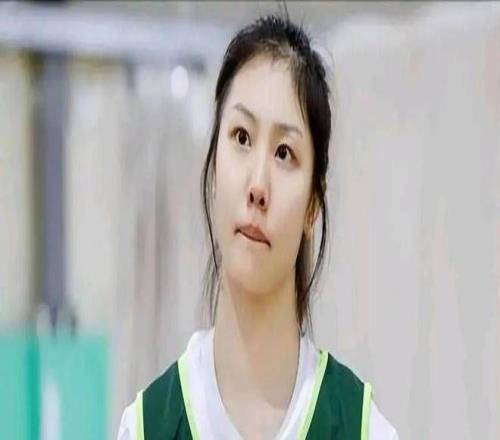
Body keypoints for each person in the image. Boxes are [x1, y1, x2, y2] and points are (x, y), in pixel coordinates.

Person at [118, 12, 399, 440]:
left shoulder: (361, 428)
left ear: (313, 205)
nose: (257, 186)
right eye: (242, 137)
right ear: (213, 166)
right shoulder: (147, 425)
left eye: (284, 153)